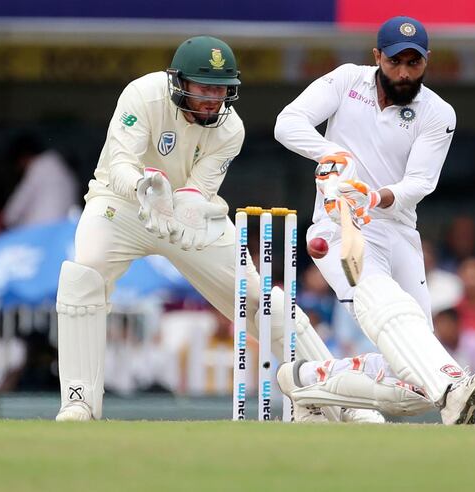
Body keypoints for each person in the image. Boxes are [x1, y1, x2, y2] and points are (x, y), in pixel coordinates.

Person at [54, 35, 381, 423]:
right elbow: (121, 164)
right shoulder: (142, 95)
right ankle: (79, 402)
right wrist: (144, 187)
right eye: (205, 87)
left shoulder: (230, 129)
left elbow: (198, 191)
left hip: (189, 214)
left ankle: (339, 398)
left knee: (260, 300)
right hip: (122, 205)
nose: (214, 98)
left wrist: (182, 208)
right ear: (180, 82)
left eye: (222, 89)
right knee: (83, 275)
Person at [274, 16, 475, 424]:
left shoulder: (437, 112)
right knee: (383, 300)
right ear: (377, 56)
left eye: (414, 64)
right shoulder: (347, 80)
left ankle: (307, 381)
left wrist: (375, 196)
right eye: (395, 62)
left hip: (396, 228)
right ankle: (452, 386)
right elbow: (287, 124)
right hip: (338, 224)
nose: (403, 73)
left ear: (426, 62)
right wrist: (337, 157)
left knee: (413, 381)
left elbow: (420, 182)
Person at [1, 134, 79, 229]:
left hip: (41, 234)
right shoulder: (64, 170)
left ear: (23, 158)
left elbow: (12, 213)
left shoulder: (38, 167)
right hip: (64, 233)